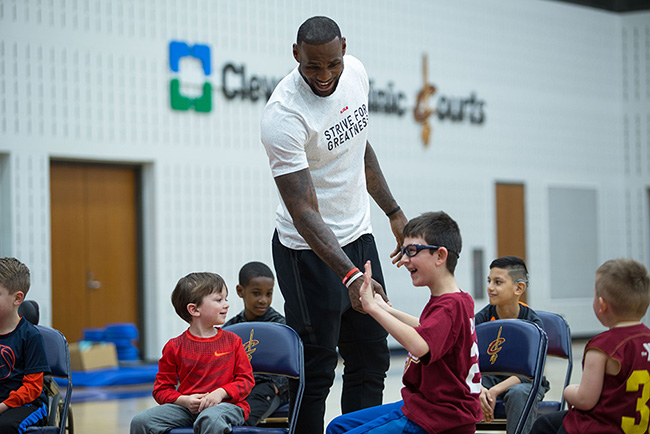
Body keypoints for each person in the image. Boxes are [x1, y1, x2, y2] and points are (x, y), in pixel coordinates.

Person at [260, 15, 408, 434]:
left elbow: (358, 145)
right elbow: (303, 212)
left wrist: (393, 212)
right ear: (296, 56)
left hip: (359, 237)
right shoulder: (284, 115)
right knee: (317, 365)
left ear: (344, 48)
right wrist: (348, 277)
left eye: (332, 64)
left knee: (371, 357)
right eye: (312, 67)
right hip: (307, 252)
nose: (324, 76)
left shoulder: (356, 73)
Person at [327, 211, 482, 434]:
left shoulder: (449, 306)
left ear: (440, 256)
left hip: (438, 416)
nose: (405, 259)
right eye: (403, 251)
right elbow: (426, 328)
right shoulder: (457, 299)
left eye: (412, 251)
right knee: (338, 426)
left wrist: (371, 309)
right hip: (428, 407)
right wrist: (383, 307)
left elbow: (420, 344)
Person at [531, 258, 650, 434]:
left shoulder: (602, 347)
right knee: (546, 423)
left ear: (601, 304)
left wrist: (569, 391)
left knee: (548, 427)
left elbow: (585, 399)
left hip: (601, 427)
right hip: (637, 427)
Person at [130, 272, 254, 434]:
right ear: (194, 310)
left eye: (226, 299)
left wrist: (220, 393)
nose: (226, 304)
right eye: (219, 300)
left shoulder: (233, 341)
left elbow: (246, 381)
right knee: (141, 421)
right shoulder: (174, 346)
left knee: (210, 418)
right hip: (188, 410)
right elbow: (161, 389)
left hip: (228, 406)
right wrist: (184, 400)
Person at [475, 256, 550, 434]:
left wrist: (494, 391)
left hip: (524, 382)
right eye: (489, 281)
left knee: (518, 393)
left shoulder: (533, 324)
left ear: (519, 288)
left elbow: (531, 374)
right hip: (490, 379)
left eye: (498, 282)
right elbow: (468, 361)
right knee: (463, 388)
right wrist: (480, 388)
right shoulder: (481, 319)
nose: (490, 287)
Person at [224, 261, 289, 426]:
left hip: (267, 389)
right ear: (240, 291)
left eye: (269, 294)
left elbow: (291, 366)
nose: (263, 300)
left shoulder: (280, 328)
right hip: (239, 388)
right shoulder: (231, 328)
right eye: (256, 293)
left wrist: (276, 387)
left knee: (241, 421)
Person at [0, 257, 49, 433]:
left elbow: (33, 388)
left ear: (17, 298)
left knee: (4, 426)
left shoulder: (30, 336)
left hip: (27, 403)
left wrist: (4, 405)